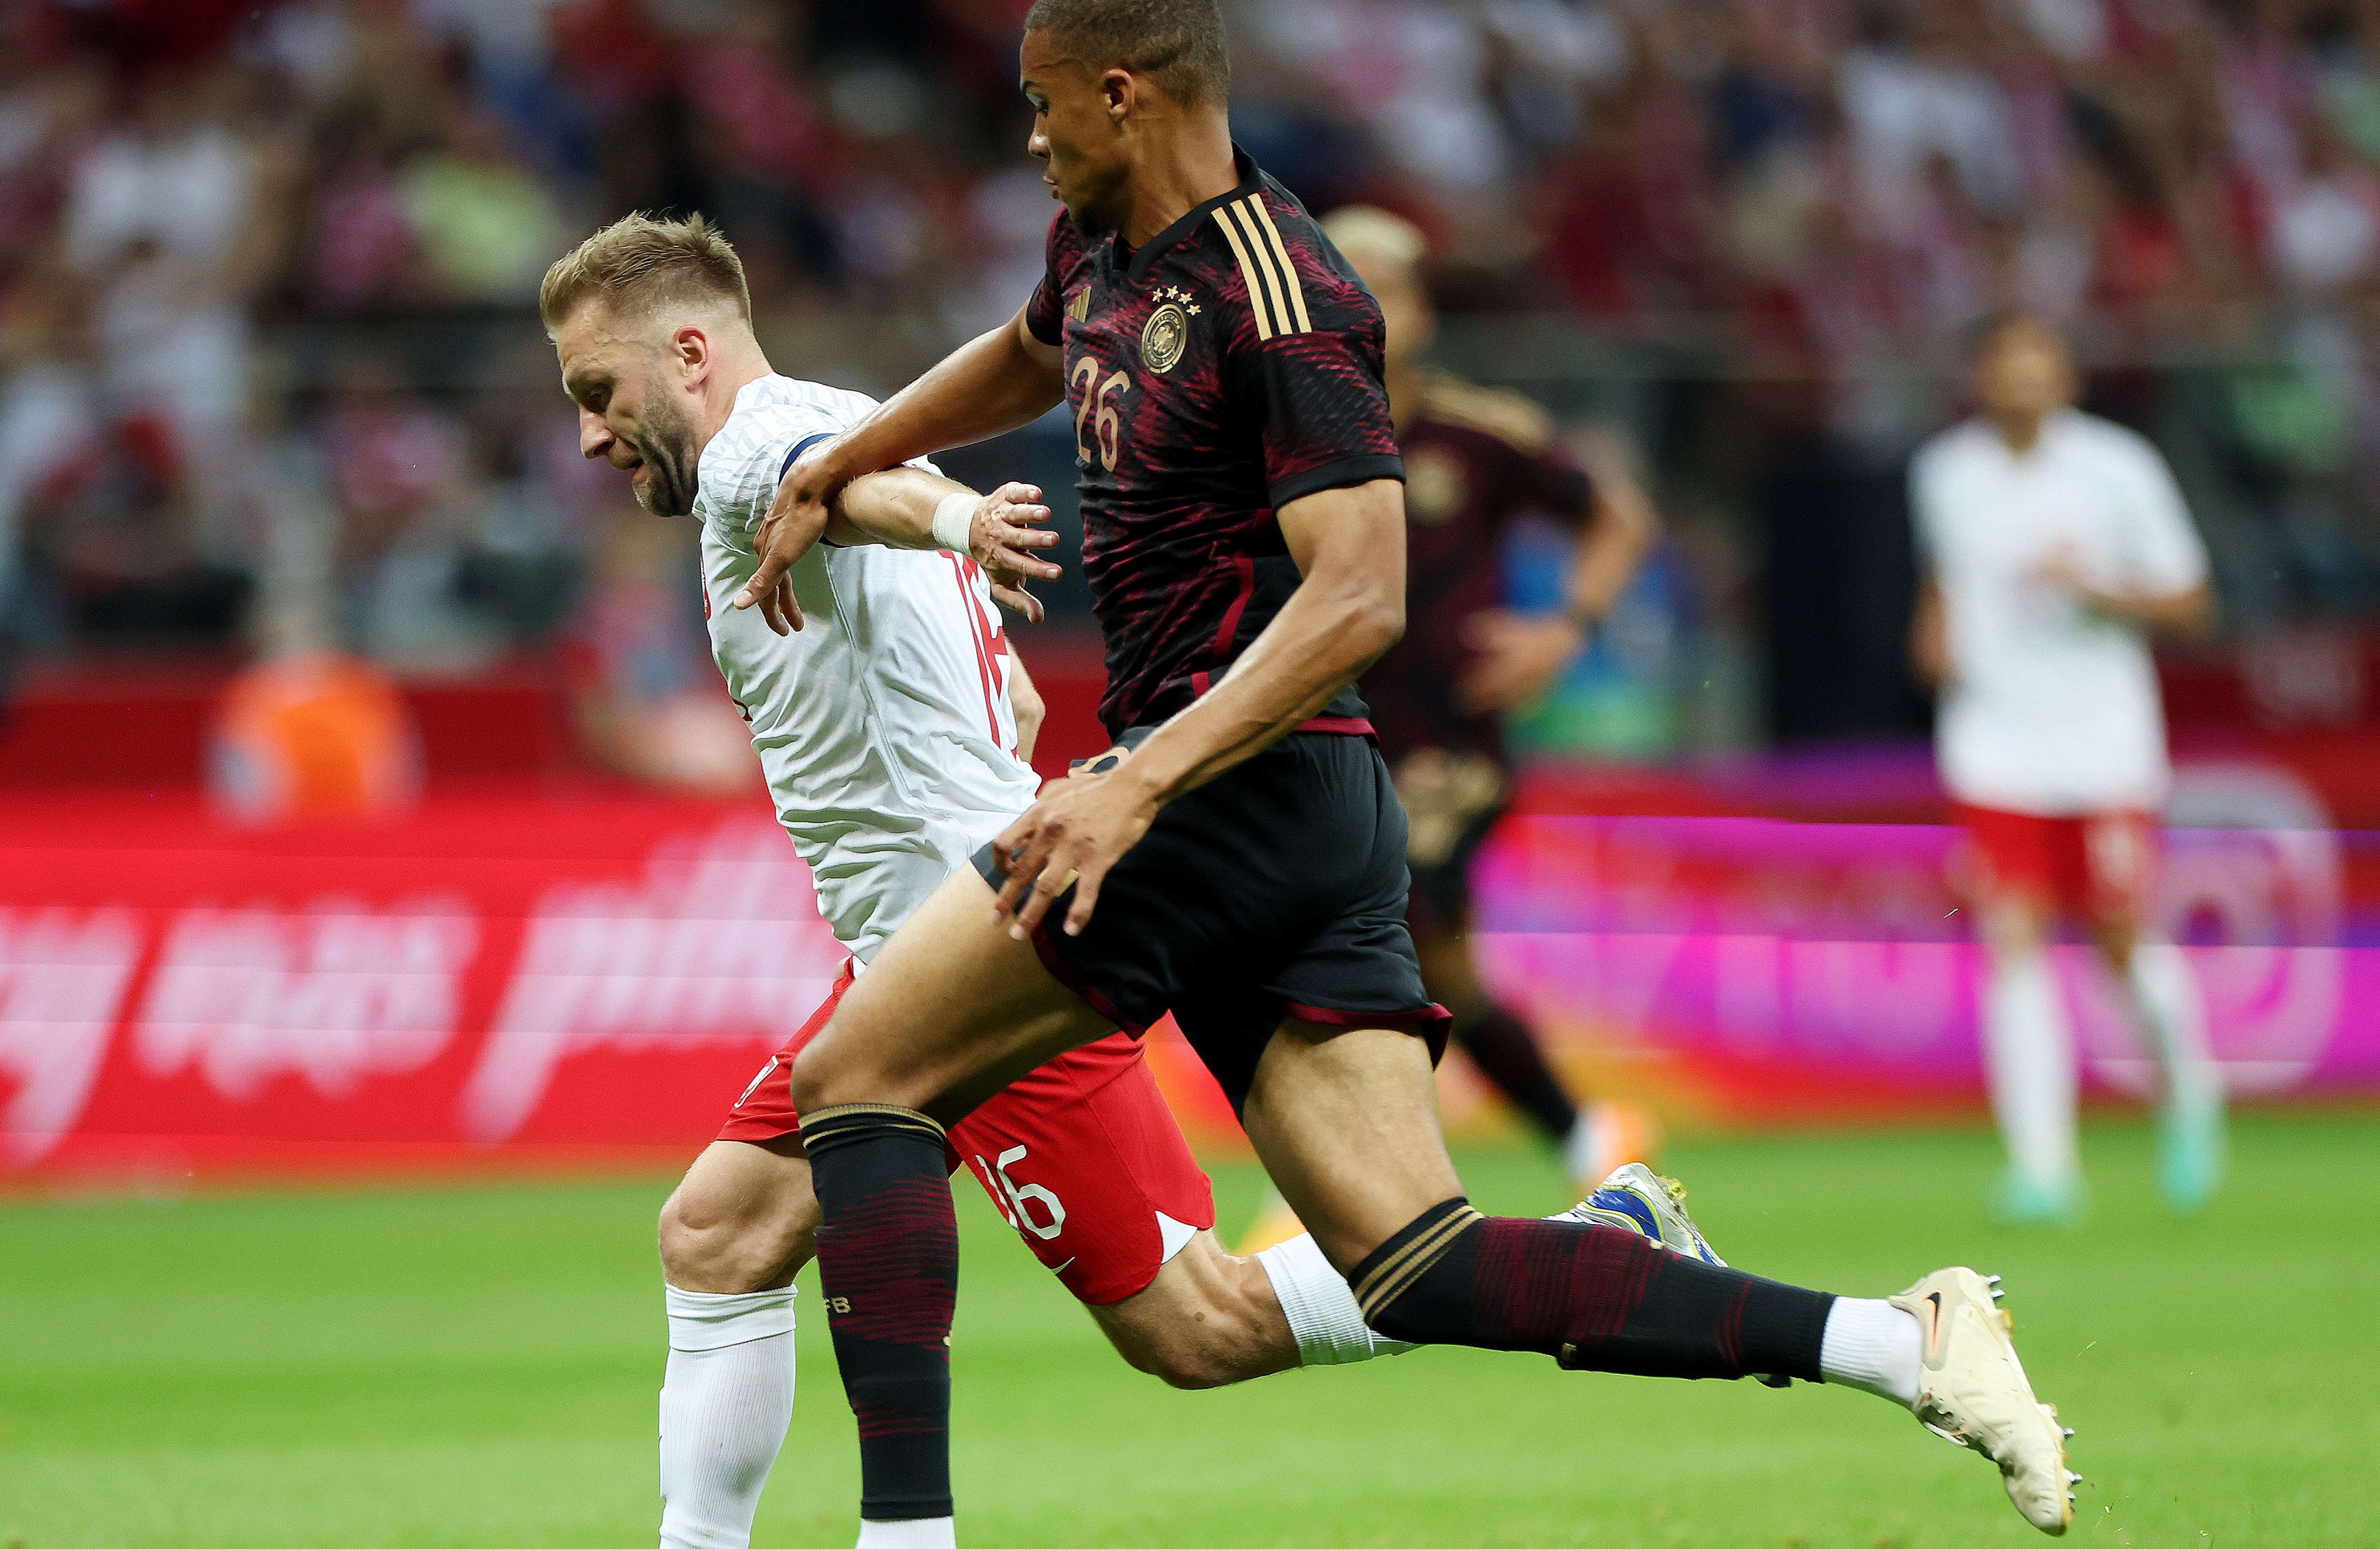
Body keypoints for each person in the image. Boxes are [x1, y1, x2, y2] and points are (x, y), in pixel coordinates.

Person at [744, 3, 2076, 1541]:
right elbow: (1018, 359)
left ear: (1122, 92)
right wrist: (841, 462)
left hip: (1217, 790)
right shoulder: (1095, 246)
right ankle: (1900, 1344)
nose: (1030, 138)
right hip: (1293, 808)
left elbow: (1359, 595)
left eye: (1045, 108)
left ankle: (901, 1535)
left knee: (859, 1080)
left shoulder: (1290, 291)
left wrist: (1136, 781)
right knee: (1412, 1263)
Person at [534, 213, 1731, 1549]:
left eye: (597, 391)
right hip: (941, 919)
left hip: (975, 949)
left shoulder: (772, 442)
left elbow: (848, 487)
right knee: (722, 1239)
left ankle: (1591, 1262)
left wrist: (957, 515)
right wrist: (948, 519)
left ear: (689, 351)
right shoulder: (840, 419)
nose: (589, 433)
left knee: (1196, 1323)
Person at [1325, 202, 1663, 1189]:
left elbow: (1617, 516)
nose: (1376, 309)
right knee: (1445, 975)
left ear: (1424, 311)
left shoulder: (1482, 434)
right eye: (1352, 286)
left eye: (1394, 288)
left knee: (1388, 928)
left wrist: (1567, 626)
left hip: (1447, 747)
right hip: (1324, 737)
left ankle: (1346, 1181)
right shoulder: (1270, 439)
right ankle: (1588, 1140)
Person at [1908, 310, 2226, 1225]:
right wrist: (1931, 630)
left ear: (2066, 377)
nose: (2022, 379)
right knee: (2012, 937)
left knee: (2120, 941)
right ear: (1980, 376)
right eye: (2005, 362)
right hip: (1993, 744)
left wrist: (2100, 589)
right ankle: (2044, 1166)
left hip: (2104, 745)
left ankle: (2190, 1098)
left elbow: (2194, 600)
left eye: (2037, 361)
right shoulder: (1943, 472)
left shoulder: (2117, 468)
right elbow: (1945, 579)